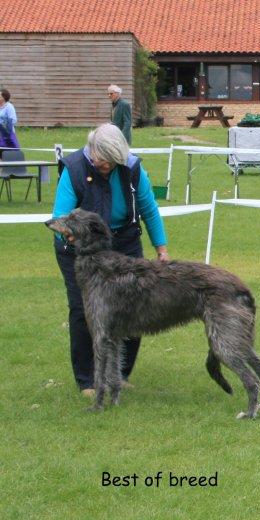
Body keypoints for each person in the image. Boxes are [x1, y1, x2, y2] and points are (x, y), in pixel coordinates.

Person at [51, 124, 168, 397]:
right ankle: (88, 381)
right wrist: (70, 238)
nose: (104, 166)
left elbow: (149, 209)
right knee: (83, 310)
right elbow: (61, 216)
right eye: (100, 160)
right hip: (82, 249)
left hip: (124, 242)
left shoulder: (132, 168)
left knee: (136, 305)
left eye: (110, 163)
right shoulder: (75, 169)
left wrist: (161, 250)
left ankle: (120, 375)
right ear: (91, 150)